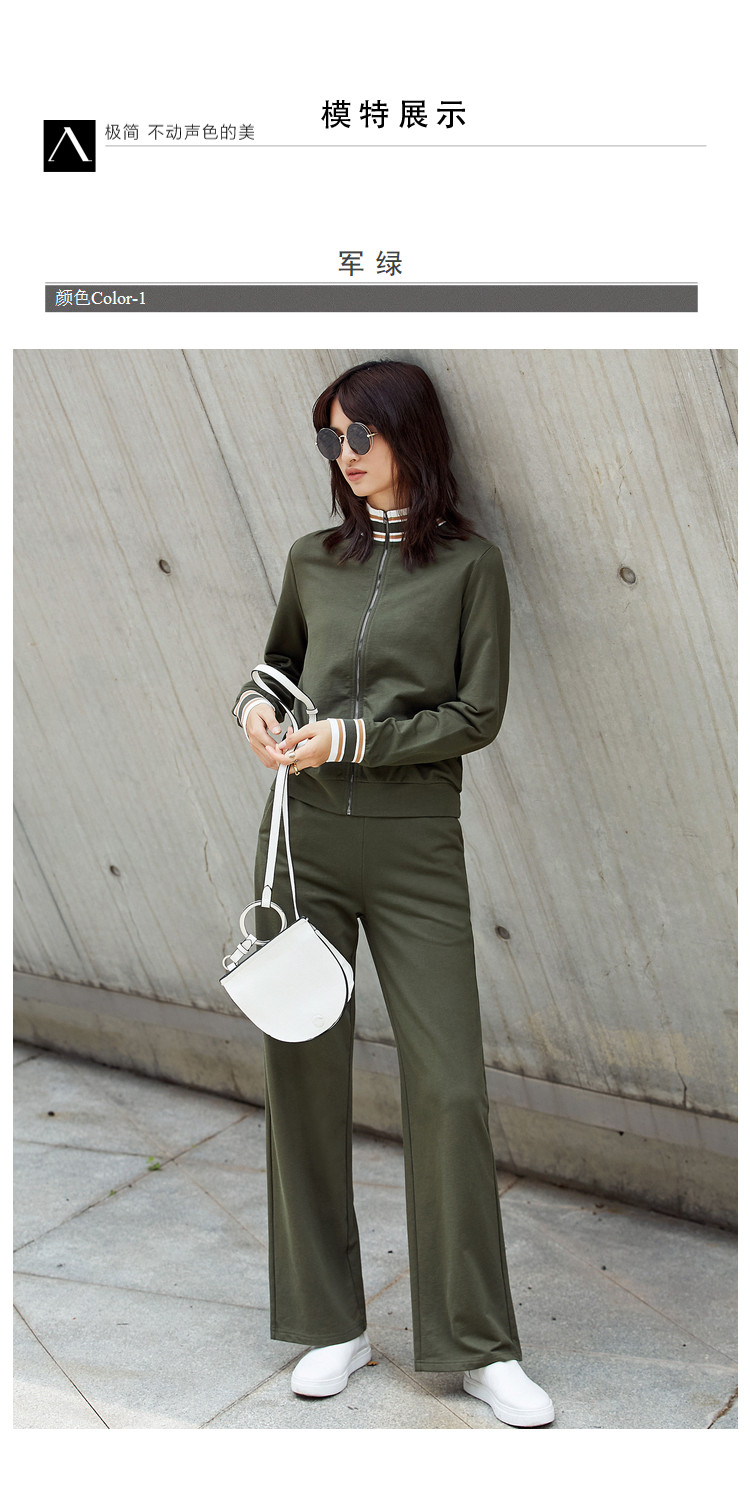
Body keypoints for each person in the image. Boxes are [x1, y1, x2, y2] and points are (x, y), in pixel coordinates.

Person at [232, 359, 555, 1427]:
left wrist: (356, 737)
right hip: (305, 839)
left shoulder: (470, 566)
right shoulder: (312, 558)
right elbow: (280, 667)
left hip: (416, 845)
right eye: (331, 438)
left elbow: (477, 713)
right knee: (301, 1072)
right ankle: (331, 1322)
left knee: (449, 1085)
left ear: (410, 434)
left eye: (361, 434)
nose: (346, 455)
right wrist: (257, 710)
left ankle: (476, 1341)